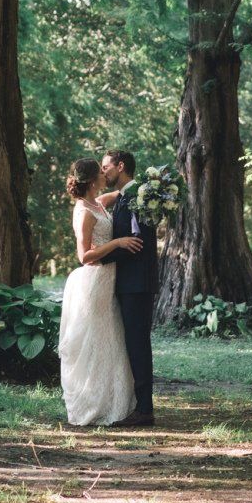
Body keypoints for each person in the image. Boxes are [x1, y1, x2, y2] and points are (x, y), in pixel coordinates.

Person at [56, 158, 139, 426]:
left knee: (110, 339)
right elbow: (84, 255)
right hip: (94, 281)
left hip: (109, 280)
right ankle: (91, 403)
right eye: (101, 171)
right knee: (95, 340)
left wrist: (149, 186)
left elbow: (120, 192)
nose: (106, 173)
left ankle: (114, 401)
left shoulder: (99, 203)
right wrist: (117, 242)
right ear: (93, 180)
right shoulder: (84, 212)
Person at [100, 149, 157, 427]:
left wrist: (100, 255)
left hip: (137, 283)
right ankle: (139, 404)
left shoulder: (138, 198)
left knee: (138, 344)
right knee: (132, 343)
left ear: (120, 166)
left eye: (106, 167)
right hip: (129, 282)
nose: (103, 172)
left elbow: (136, 242)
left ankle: (145, 410)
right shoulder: (126, 196)